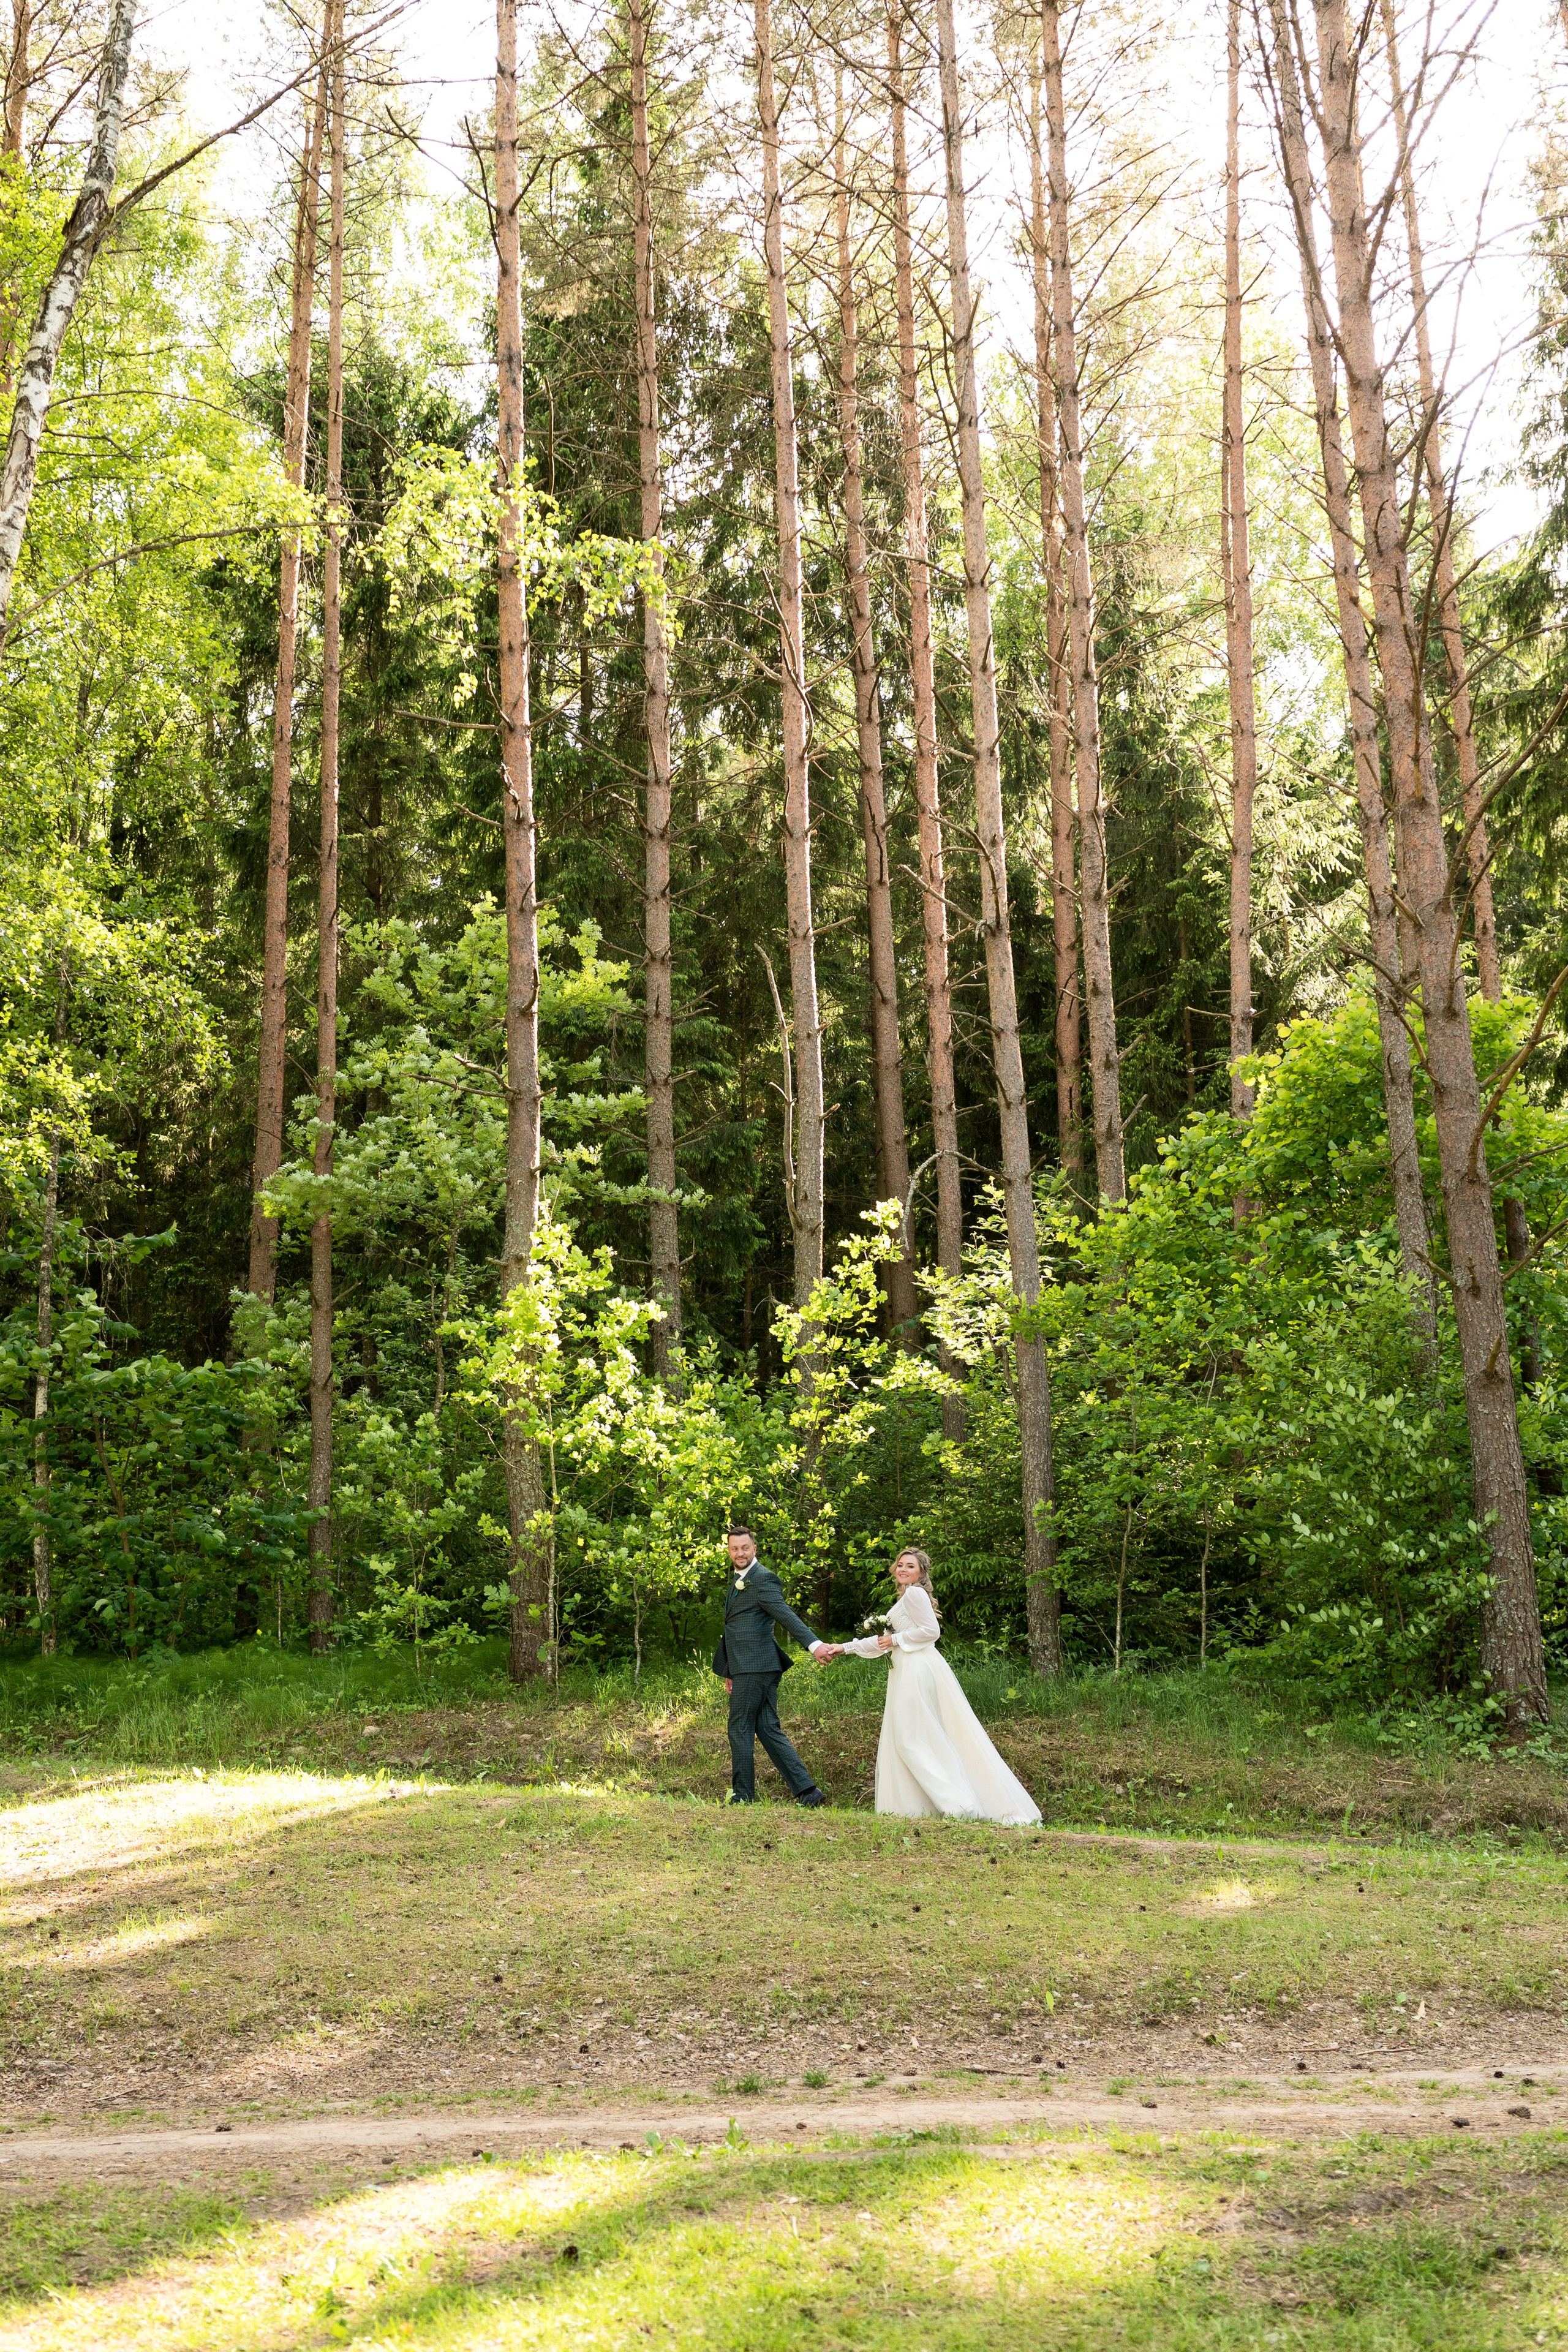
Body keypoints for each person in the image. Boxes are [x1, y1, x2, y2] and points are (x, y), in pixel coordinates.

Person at [828, 1549, 1040, 1824]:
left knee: (909, 1738)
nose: (903, 1569)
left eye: (910, 1566)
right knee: (918, 1735)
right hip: (908, 1667)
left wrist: (895, 1641)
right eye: (900, 1565)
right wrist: (844, 1648)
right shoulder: (907, 1597)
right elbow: (884, 1641)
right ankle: (929, 1805)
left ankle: (960, 1806)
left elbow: (931, 1632)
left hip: (915, 1669)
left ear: (921, 1573)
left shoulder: (915, 1594)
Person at [712, 1523, 832, 1807]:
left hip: (755, 1666)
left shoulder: (763, 1579)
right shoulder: (739, 1580)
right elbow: (734, 1628)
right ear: (729, 1551)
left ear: (754, 1549)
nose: (740, 1553)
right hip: (750, 1666)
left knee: (740, 1727)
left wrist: (814, 1644)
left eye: (745, 1548)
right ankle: (808, 1792)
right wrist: (730, 1670)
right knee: (766, 1728)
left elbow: (785, 1615)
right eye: (735, 1549)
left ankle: (743, 1796)